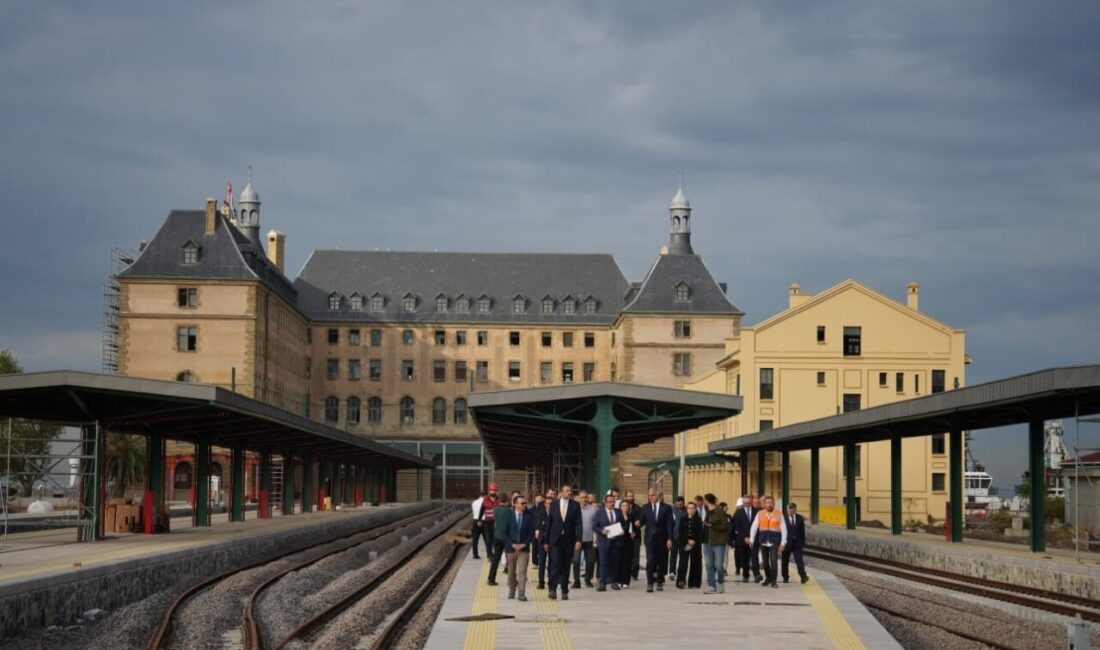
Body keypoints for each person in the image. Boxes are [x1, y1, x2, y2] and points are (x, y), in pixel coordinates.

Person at [544, 484, 583, 600]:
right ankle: (552, 588)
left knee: (566, 565)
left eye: (570, 491)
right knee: (555, 563)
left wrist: (579, 540)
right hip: (555, 539)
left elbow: (579, 524)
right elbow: (549, 523)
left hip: (569, 540)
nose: (569, 493)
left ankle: (564, 590)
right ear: (561, 492)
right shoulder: (554, 504)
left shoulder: (575, 505)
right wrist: (546, 541)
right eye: (567, 491)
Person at [500, 494, 535, 601]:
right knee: (511, 572)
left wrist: (525, 544)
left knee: (522, 572)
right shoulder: (508, 516)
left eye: (525, 503)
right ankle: (512, 589)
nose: (525, 505)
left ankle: (521, 593)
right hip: (511, 549)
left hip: (524, 549)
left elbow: (531, 532)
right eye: (522, 503)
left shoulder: (528, 517)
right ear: (515, 504)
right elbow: (503, 533)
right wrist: (512, 544)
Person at [639, 489, 675, 592]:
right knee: (650, 561)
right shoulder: (646, 507)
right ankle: (650, 583)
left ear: (658, 496)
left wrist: (670, 538)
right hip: (650, 539)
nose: (650, 497)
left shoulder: (666, 508)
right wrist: (638, 523)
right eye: (649, 495)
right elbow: (642, 521)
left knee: (662, 561)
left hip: (662, 539)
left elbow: (670, 524)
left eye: (652, 495)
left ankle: (659, 581)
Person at [748, 495, 787, 588]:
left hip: (774, 541)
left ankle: (773, 581)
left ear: (773, 504)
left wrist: (783, 543)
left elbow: (784, 528)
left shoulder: (779, 514)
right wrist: (752, 539)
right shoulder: (760, 513)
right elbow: (754, 527)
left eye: (771, 503)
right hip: (763, 540)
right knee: (765, 563)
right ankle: (768, 578)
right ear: (764, 504)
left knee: (774, 561)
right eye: (767, 503)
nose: (769, 504)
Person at [593, 492, 623, 591]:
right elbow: (594, 526)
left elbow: (623, 524)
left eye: (613, 502)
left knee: (615, 562)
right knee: (603, 563)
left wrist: (622, 531)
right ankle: (602, 583)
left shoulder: (618, 512)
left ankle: (614, 582)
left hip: (616, 541)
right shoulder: (599, 512)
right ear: (605, 503)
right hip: (604, 541)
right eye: (610, 502)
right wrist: (602, 531)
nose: (612, 504)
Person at [701, 493, 730, 594]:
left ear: (707, 501)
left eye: (704, 500)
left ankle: (720, 582)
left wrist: (712, 526)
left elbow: (726, 526)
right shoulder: (705, 512)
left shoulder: (719, 512)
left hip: (717, 542)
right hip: (706, 541)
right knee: (708, 565)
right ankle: (711, 585)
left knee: (718, 565)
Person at [732, 493, 761, 583]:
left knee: (754, 557)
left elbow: (759, 525)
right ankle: (745, 575)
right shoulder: (738, 513)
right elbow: (737, 527)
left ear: (751, 502)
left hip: (754, 539)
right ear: (743, 503)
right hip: (742, 539)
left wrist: (752, 537)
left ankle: (757, 574)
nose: (747, 505)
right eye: (745, 503)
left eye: (748, 503)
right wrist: (744, 537)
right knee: (744, 558)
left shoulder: (757, 512)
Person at [675, 500, 703, 589]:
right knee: (683, 562)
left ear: (695, 509)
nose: (691, 510)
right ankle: (681, 581)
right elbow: (680, 532)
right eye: (689, 508)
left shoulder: (698, 519)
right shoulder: (682, 519)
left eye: (692, 508)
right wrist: (687, 541)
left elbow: (700, 532)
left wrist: (693, 541)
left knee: (696, 562)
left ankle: (694, 582)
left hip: (695, 544)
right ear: (686, 509)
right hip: (684, 543)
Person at [781, 502, 809, 584]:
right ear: (787, 510)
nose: (790, 513)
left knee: (799, 560)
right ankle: (785, 577)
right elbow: (780, 531)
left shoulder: (800, 518)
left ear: (795, 510)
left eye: (792, 511)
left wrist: (802, 543)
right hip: (786, 543)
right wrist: (781, 543)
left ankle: (803, 576)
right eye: (789, 511)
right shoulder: (783, 518)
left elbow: (802, 532)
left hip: (797, 544)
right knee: (784, 561)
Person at [534, 488, 555, 589]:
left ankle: (551, 581)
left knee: (552, 561)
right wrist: (537, 530)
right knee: (541, 560)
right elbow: (537, 519)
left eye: (552, 498)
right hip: (542, 537)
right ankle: (541, 581)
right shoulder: (540, 506)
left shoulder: (556, 506)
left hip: (552, 537)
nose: (549, 501)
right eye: (548, 498)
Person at [487, 492, 511, 586]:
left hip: (497, 537)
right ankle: (510, 579)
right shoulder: (509, 511)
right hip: (507, 538)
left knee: (496, 559)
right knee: (510, 558)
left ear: (499, 500)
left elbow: (493, 521)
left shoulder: (495, 510)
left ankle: (491, 579)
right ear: (506, 501)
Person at [579, 492, 597, 587]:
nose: (584, 499)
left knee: (590, 561)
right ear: (579, 498)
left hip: (590, 539)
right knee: (576, 561)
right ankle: (576, 581)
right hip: (577, 540)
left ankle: (588, 580)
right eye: (582, 497)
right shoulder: (575, 509)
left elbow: (597, 523)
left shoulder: (593, 510)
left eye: (586, 497)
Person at [479, 484, 499, 566]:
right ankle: (489, 555)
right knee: (488, 539)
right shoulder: (485, 500)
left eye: (494, 490)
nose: (493, 491)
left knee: (495, 539)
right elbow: (482, 510)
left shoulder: (499, 500)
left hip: (496, 522)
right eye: (491, 490)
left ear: (496, 491)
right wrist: (479, 519)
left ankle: (495, 554)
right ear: (489, 491)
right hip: (487, 523)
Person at [624, 490, 643, 579]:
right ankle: (626, 571)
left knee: (636, 555)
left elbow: (641, 520)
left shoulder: (638, 509)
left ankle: (635, 573)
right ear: (625, 497)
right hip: (626, 535)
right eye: (629, 496)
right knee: (627, 555)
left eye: (632, 496)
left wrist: (639, 523)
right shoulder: (623, 509)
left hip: (636, 535)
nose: (631, 498)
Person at [617, 499, 636, 588]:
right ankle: (619, 580)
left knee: (627, 561)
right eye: (623, 506)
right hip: (620, 540)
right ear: (620, 507)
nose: (625, 507)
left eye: (626, 506)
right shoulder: (618, 516)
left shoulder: (631, 516)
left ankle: (626, 581)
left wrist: (634, 533)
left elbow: (635, 529)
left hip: (629, 541)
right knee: (619, 561)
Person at [668, 496, 685, 580]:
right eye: (677, 504)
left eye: (680, 504)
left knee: (682, 557)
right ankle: (672, 572)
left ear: (683, 503)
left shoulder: (686, 511)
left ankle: (680, 573)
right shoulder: (672, 510)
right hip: (673, 537)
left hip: (682, 538)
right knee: (673, 556)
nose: (679, 505)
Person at [470, 491, 486, 559]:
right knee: (487, 539)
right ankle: (489, 553)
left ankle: (475, 554)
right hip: (484, 521)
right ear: (484, 496)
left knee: (475, 539)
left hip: (475, 521)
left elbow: (474, 512)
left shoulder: (474, 502)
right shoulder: (485, 502)